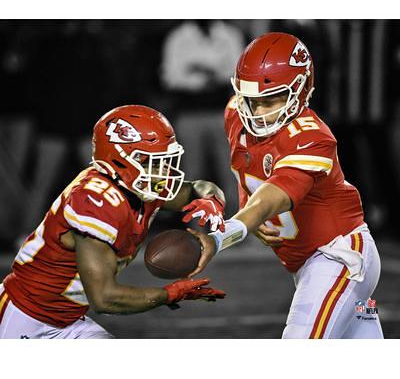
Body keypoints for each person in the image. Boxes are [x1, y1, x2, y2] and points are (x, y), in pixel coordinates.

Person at [188, 32, 383, 339]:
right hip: (311, 264)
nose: (258, 113)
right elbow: (248, 168)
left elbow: (270, 198)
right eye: (251, 101)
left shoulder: (311, 137)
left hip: (339, 257)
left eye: (271, 101)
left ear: (300, 90)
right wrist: (251, 214)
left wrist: (222, 235)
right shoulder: (236, 114)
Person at [0, 105, 226, 339]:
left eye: (165, 160)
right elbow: (104, 297)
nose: (164, 171)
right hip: (24, 317)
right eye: (152, 161)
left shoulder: (139, 185)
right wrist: (169, 294)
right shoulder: (94, 200)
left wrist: (211, 198)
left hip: (68, 320)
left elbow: (196, 188)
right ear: (119, 161)